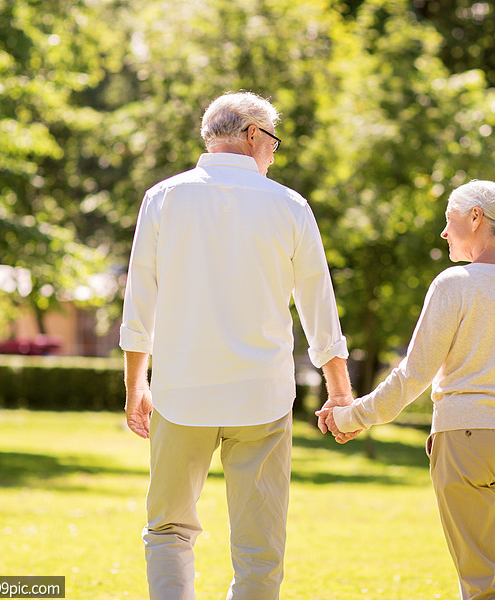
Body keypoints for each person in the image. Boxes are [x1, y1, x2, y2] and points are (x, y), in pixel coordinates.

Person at [121, 91, 355, 600]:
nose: (273, 153)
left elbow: (140, 300)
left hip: (182, 394)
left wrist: (135, 384)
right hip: (261, 398)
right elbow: (320, 308)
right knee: (260, 548)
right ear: (252, 135)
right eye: (273, 142)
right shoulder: (290, 205)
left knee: (167, 530)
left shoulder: (163, 198)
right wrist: (340, 394)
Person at [317, 180, 495, 600]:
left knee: (482, 582)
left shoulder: (453, 284)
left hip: (467, 442)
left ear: (475, 217)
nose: (444, 232)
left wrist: (351, 416)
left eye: (449, 220)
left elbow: (413, 375)